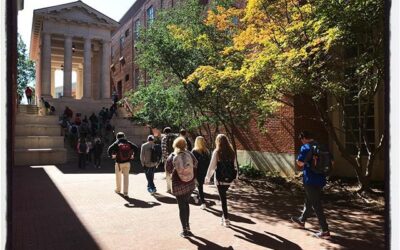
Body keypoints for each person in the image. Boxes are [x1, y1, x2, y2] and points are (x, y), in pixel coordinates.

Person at [291, 131, 331, 238]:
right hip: (321, 179)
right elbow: (332, 162)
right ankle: (302, 220)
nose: (302, 142)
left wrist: (303, 162)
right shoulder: (322, 146)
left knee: (316, 204)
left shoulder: (306, 148)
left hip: (310, 179)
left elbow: (299, 163)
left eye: (301, 139)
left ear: (304, 138)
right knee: (309, 200)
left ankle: (325, 230)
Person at [165, 137, 198, 237]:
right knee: (186, 204)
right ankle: (188, 226)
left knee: (181, 207)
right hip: (190, 183)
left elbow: (168, 169)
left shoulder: (172, 156)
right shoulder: (189, 153)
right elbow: (196, 163)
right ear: (185, 145)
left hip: (178, 184)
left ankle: (185, 230)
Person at [205, 134, 238, 227]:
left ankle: (226, 219)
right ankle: (224, 216)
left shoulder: (217, 152)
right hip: (229, 180)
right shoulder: (232, 152)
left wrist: (207, 178)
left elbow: (212, 166)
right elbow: (235, 166)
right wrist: (236, 177)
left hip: (219, 179)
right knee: (223, 197)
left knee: (223, 199)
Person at [107, 132, 138, 197]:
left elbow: (109, 149)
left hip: (119, 163)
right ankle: (125, 193)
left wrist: (111, 156)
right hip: (127, 163)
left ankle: (118, 190)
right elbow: (136, 148)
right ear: (124, 136)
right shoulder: (128, 143)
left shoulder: (116, 143)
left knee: (118, 177)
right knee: (126, 177)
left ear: (117, 137)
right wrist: (133, 155)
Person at [191, 136, 211, 209]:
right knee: (200, 186)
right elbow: (209, 162)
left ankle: (203, 203)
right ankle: (197, 197)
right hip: (204, 171)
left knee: (199, 187)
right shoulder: (206, 151)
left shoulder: (194, 151)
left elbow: (192, 163)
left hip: (197, 172)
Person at [161, 127, 178, 193]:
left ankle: (169, 189)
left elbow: (163, 150)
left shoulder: (164, 138)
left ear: (165, 132)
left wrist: (164, 158)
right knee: (175, 173)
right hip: (176, 157)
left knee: (168, 174)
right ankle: (175, 188)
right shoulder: (176, 137)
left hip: (167, 159)